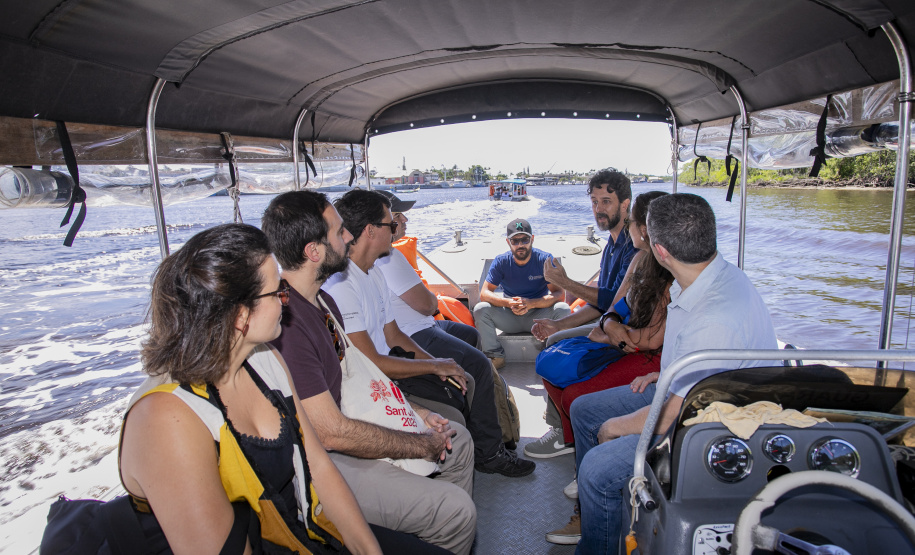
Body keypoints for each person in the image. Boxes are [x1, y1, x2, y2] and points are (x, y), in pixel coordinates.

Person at [120, 223, 440, 554]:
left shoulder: (267, 359)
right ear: (239, 314)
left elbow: (318, 467)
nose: (286, 302)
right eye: (278, 292)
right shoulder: (166, 418)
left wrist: (368, 550)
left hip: (304, 528)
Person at [545, 193, 778, 552]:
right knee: (583, 409)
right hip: (692, 393)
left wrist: (615, 429)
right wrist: (667, 372)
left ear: (660, 251)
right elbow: (700, 364)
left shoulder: (714, 317)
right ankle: (607, 513)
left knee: (597, 466)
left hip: (707, 425)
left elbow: (671, 418)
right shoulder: (708, 280)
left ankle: (599, 535)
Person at [262, 192, 476, 555]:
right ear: (314, 252)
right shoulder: (289, 327)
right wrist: (419, 443)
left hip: (350, 422)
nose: (348, 237)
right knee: (456, 512)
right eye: (338, 231)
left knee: (458, 440)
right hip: (322, 462)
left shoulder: (321, 303)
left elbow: (361, 374)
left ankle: (420, 537)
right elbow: (330, 433)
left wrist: (418, 413)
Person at [374, 190, 535, 477]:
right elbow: (427, 304)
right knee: (480, 365)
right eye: (397, 216)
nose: (405, 220)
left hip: (421, 325)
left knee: (469, 335)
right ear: (383, 223)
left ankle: (479, 422)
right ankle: (491, 453)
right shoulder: (391, 258)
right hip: (415, 332)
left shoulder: (380, 258)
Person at [540, 191, 673, 449]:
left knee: (574, 396)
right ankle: (572, 440)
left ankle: (589, 454)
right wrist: (609, 325)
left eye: (631, 220)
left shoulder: (667, 273)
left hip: (645, 353)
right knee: (550, 364)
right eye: (594, 202)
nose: (628, 225)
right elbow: (611, 307)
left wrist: (609, 331)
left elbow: (647, 340)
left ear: (644, 229)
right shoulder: (637, 258)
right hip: (623, 337)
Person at [527, 169, 637, 458]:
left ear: (625, 204)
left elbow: (615, 300)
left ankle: (563, 435)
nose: (598, 210)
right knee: (554, 341)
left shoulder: (633, 246)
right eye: (594, 202)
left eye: (606, 202)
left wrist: (565, 284)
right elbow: (601, 304)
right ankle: (563, 429)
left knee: (556, 349)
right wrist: (558, 324)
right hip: (607, 324)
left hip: (625, 335)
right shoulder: (611, 245)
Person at [473, 218, 571, 369]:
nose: (520, 245)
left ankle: (554, 354)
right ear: (508, 242)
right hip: (510, 316)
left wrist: (531, 303)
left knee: (563, 309)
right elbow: (485, 293)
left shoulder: (545, 259)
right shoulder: (501, 261)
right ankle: (495, 356)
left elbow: (559, 294)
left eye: (524, 240)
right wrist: (509, 303)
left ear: (532, 239)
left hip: (539, 317)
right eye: (515, 241)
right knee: (481, 309)